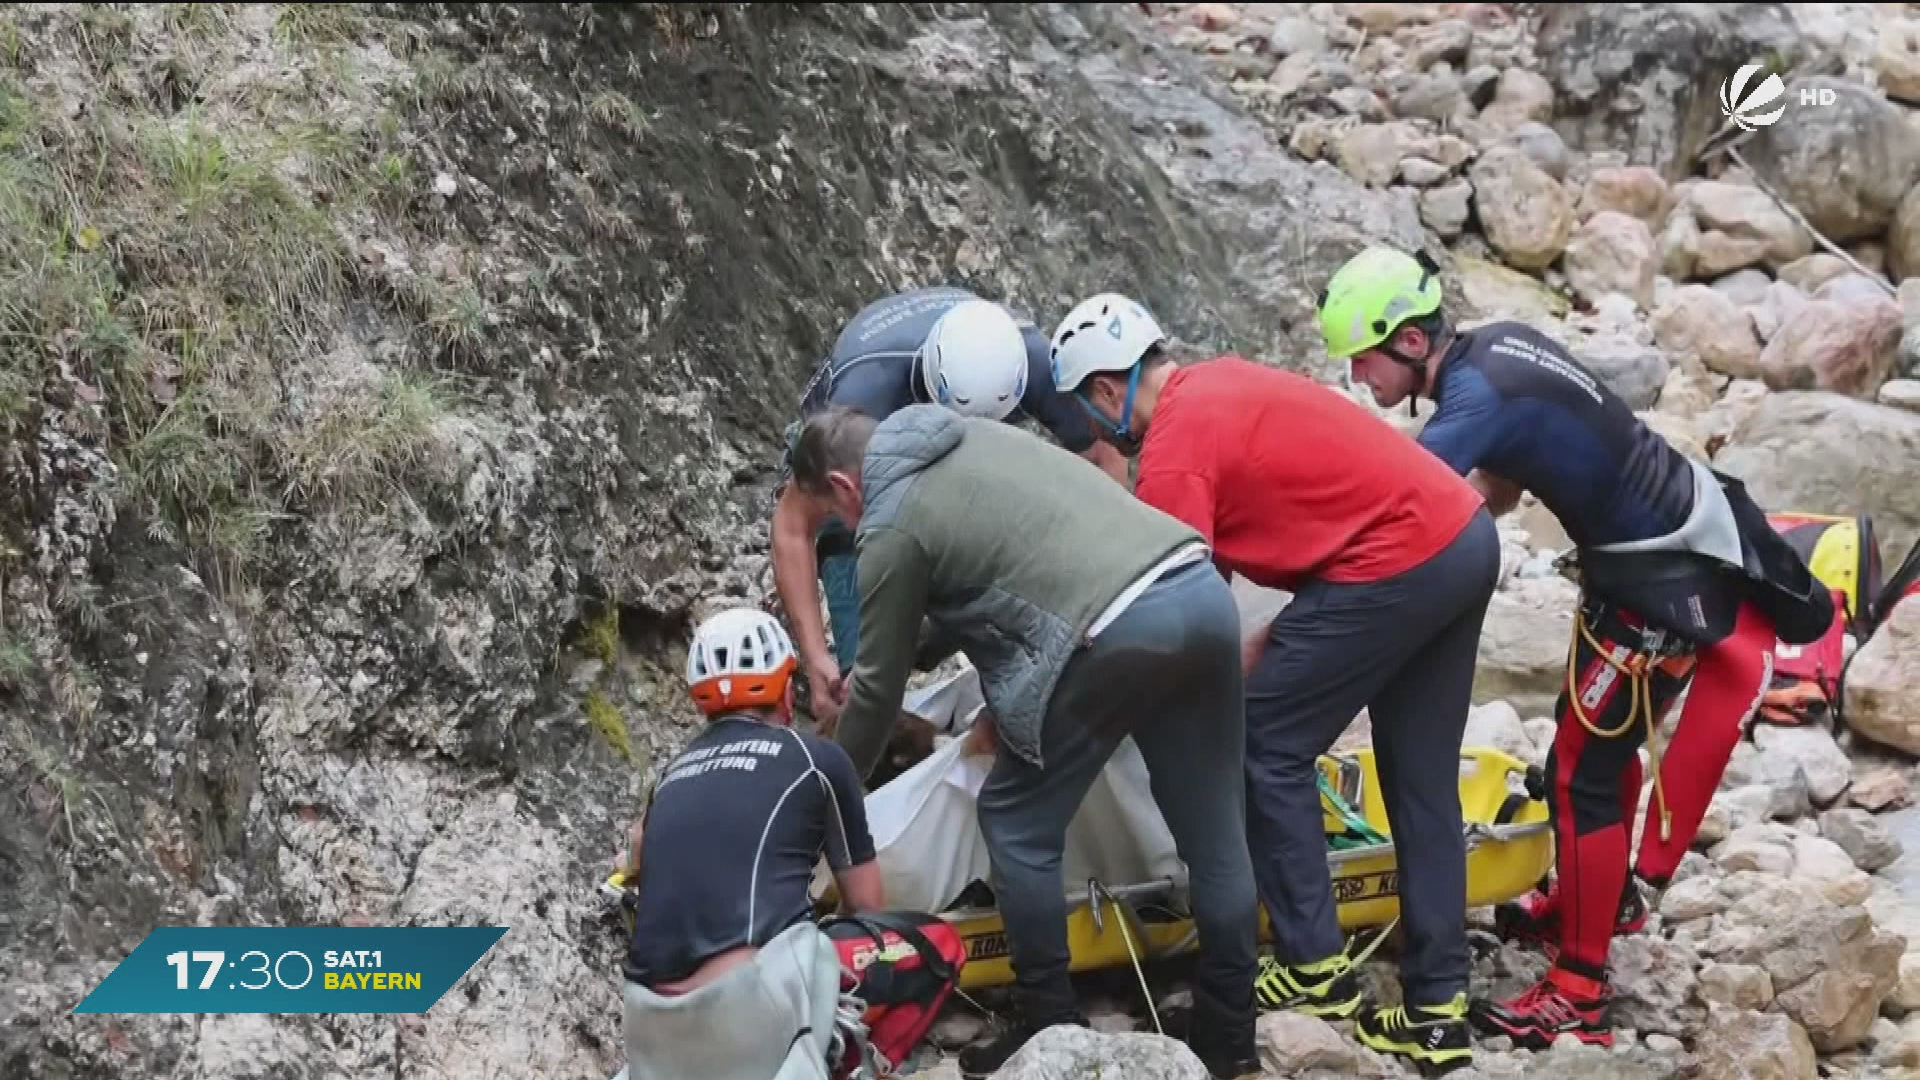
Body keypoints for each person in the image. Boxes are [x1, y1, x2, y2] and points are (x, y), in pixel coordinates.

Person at [1317, 246, 1833, 1050]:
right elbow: (1502, 487)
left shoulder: (1471, 400)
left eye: (1362, 362)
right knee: (1589, 745)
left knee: (1581, 772)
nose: (1359, 382)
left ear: (1410, 344)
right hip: (1658, 555)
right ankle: (1602, 902)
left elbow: (1393, 504)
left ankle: (1579, 992)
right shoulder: (1494, 352)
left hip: (1660, 581)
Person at [1050, 293, 1499, 1073]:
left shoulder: (1173, 449)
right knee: (1420, 781)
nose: (1100, 434)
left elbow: (1166, 606)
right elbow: (1211, 575)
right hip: (1461, 535)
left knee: (1263, 741)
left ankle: (1315, 963)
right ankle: (1437, 1010)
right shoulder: (1214, 385)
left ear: (1103, 392)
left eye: (1092, 417)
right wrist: (1261, 642)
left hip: (1398, 556)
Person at [786, 403, 1261, 1080]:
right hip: (1195, 590)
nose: (848, 529)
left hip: (1110, 631)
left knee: (1014, 818)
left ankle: (1050, 1023)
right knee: (1214, 833)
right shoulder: (966, 436)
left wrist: (830, 794)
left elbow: (877, 695)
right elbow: (991, 574)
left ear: (844, 487)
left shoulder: (890, 521)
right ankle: (1231, 1034)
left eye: (838, 519)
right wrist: (903, 654)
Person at [771, 287, 1132, 732]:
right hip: (872, 423)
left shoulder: (1033, 361)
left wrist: (1096, 582)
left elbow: (1105, 455)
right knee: (849, 530)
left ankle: (943, 630)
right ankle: (856, 678)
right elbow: (794, 527)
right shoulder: (863, 399)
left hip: (981, 430)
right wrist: (816, 656)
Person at [618, 606, 886, 1080]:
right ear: (785, 689)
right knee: (845, 944)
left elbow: (636, 855)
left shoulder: (670, 773)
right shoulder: (816, 758)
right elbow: (867, 907)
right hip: (749, 1012)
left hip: (647, 1022)